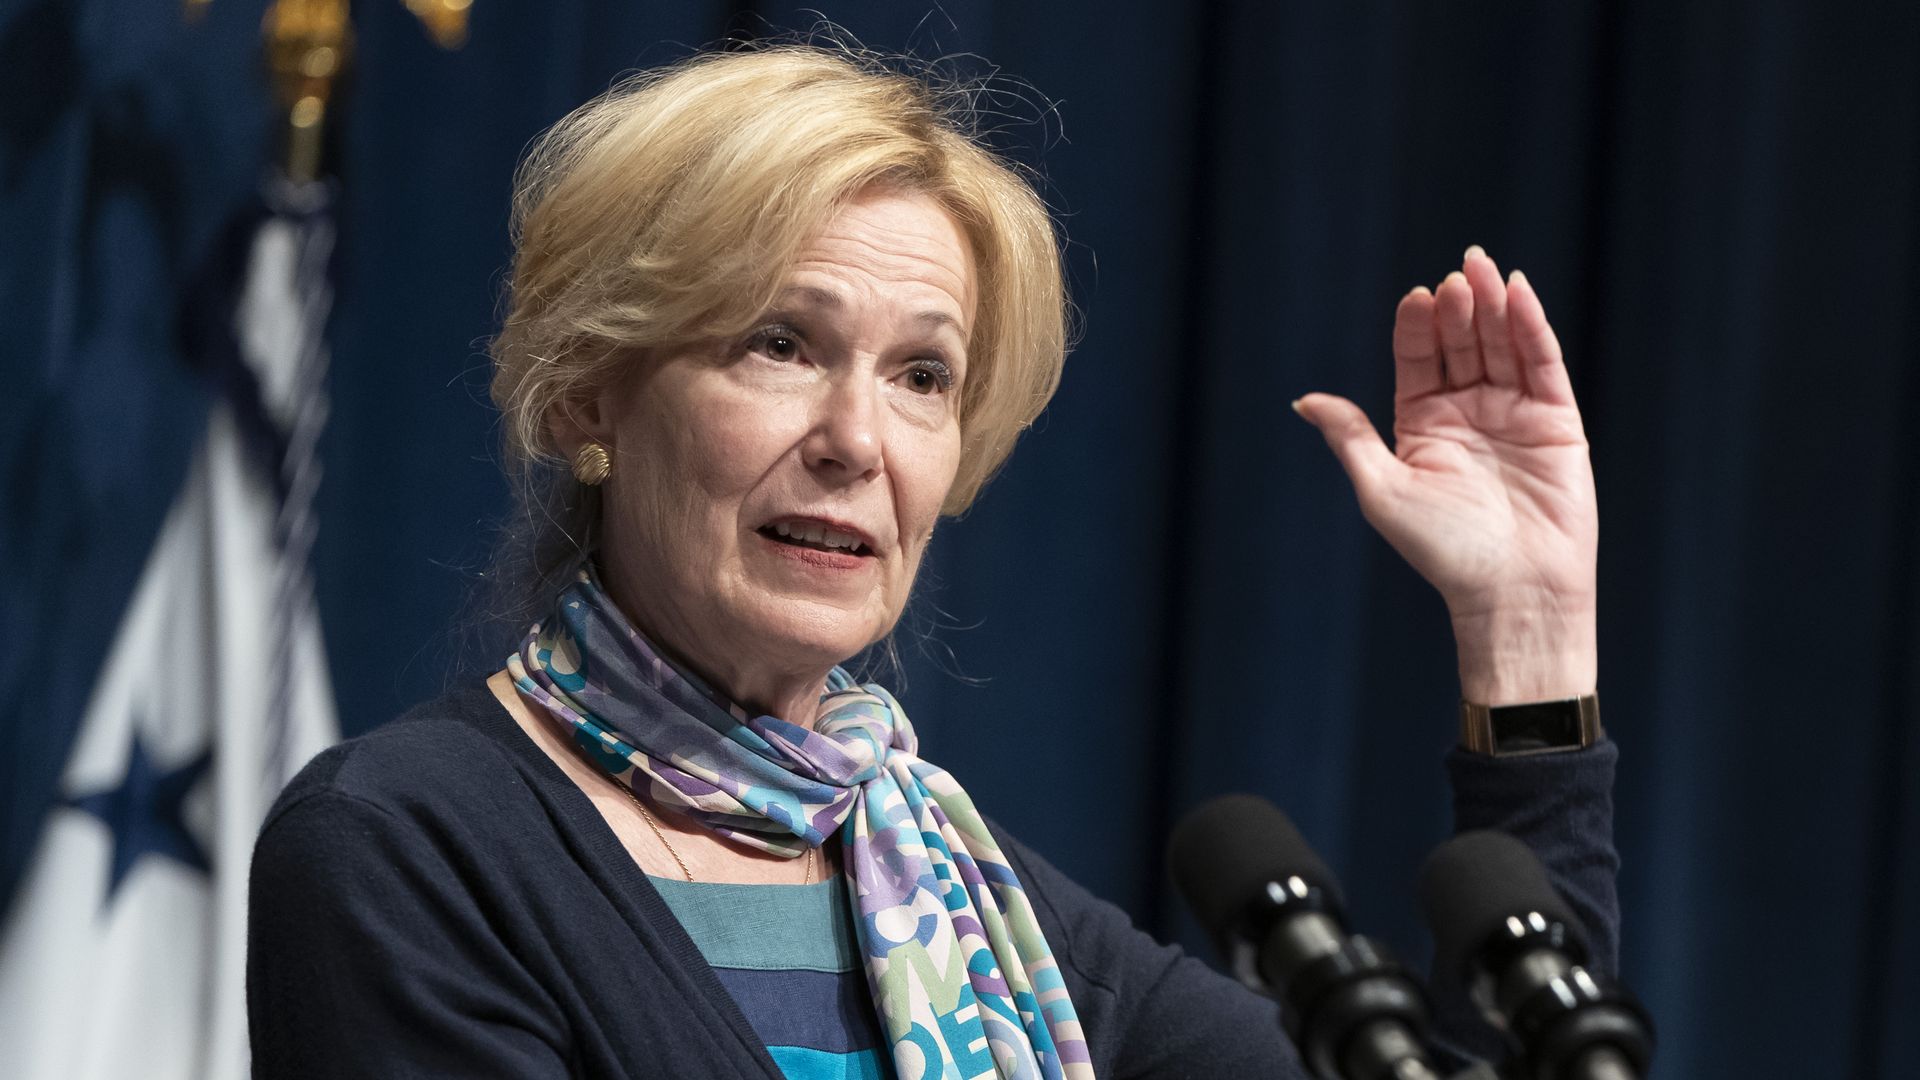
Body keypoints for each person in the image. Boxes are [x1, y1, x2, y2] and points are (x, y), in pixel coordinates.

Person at [247, 44, 1615, 1080]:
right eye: (779, 344)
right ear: (592, 396)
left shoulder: (960, 900)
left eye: (922, 376)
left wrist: (1527, 630)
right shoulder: (403, 850)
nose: (857, 440)